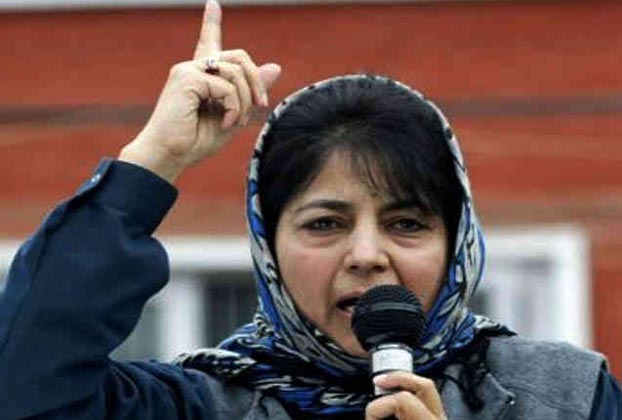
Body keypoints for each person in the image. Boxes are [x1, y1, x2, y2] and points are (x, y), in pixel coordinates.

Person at [0, 1, 620, 419]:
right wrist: (154, 159)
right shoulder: (198, 405)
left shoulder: (564, 396)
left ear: (457, 243)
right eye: (326, 224)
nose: (367, 255)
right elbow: (23, 384)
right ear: (269, 248)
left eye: (406, 224)